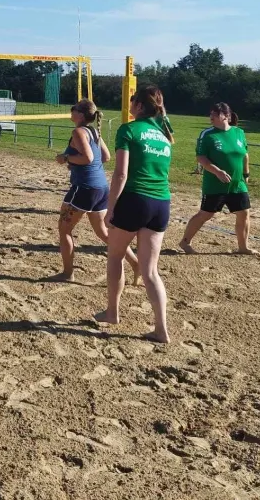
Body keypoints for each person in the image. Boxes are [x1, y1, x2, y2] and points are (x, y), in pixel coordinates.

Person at [95, 85, 174, 343]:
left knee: (115, 256)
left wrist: (110, 208)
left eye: (132, 101)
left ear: (139, 105)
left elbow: (121, 174)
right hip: (161, 202)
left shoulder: (128, 129)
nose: (129, 105)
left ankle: (112, 312)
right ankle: (161, 329)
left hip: (135, 199)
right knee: (151, 272)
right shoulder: (164, 135)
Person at [54, 99, 139, 282]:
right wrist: (77, 163)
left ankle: (68, 273)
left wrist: (66, 158)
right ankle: (135, 263)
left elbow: (88, 158)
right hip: (101, 188)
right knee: (104, 233)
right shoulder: (94, 131)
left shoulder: (78, 132)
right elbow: (106, 157)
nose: (71, 110)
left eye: (74, 108)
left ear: (81, 114)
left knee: (64, 230)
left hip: (84, 188)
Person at [179, 102, 255, 255]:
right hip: (214, 184)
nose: (211, 116)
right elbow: (201, 157)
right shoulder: (207, 134)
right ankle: (185, 242)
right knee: (206, 214)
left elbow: (245, 155)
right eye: (211, 113)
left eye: (215, 114)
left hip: (237, 183)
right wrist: (217, 171)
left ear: (226, 116)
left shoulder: (239, 132)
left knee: (244, 213)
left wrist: (246, 174)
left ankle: (243, 247)